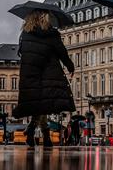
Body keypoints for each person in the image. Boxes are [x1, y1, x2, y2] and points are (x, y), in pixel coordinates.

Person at [13, 10, 75, 148]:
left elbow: (21, 52)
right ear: (44, 18)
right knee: (44, 105)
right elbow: (62, 53)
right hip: (48, 73)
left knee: (39, 104)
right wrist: (70, 66)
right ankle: (41, 134)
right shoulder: (51, 34)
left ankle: (36, 133)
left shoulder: (25, 34)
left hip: (30, 74)